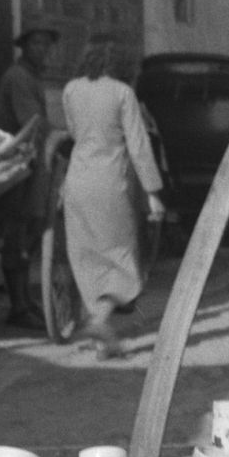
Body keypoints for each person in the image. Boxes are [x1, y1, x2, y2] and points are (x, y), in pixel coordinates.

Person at [60, 35, 167, 359]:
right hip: (110, 184)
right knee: (121, 258)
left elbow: (74, 132)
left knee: (87, 256)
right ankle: (101, 320)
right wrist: (153, 193)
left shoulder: (71, 90)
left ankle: (101, 340)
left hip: (77, 181)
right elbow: (138, 146)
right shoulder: (123, 94)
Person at [0, 21, 60, 328]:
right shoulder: (19, 77)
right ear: (24, 48)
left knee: (28, 228)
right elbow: (31, 122)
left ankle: (23, 301)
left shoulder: (30, 77)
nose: (43, 50)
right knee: (18, 229)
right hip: (17, 164)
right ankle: (18, 306)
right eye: (36, 44)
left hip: (29, 162)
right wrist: (60, 138)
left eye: (47, 44)